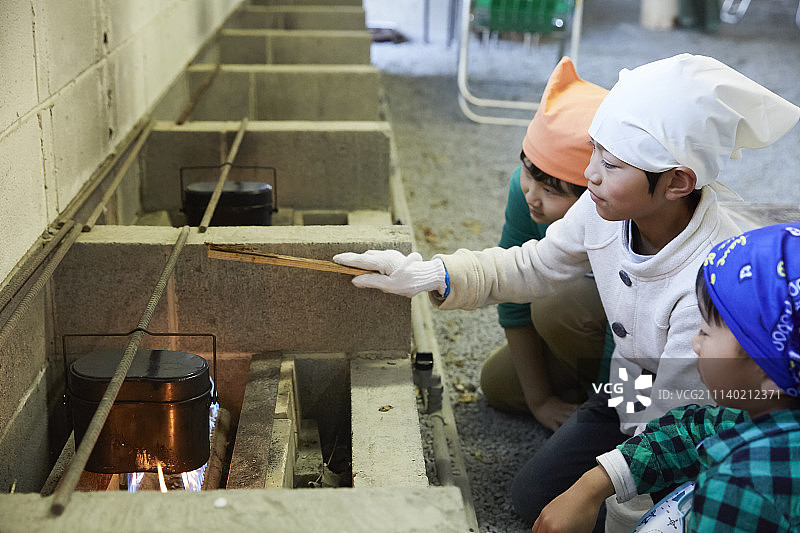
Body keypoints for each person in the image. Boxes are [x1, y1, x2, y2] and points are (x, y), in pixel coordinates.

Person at [333, 54, 800, 529]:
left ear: (678, 181)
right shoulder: (602, 209)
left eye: (613, 164)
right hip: (628, 387)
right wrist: (431, 273)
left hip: (685, 412)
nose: (591, 174)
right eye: (593, 150)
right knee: (534, 495)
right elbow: (532, 264)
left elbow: (667, 426)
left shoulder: (706, 275)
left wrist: (622, 514)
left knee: (620, 509)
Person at [532, 223, 800, 532]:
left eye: (706, 331)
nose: (695, 343)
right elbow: (694, 427)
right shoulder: (764, 410)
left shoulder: (739, 486)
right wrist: (594, 483)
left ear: (769, 374)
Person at [479, 57, 611, 432]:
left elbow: (632, 336)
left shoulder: (619, 216)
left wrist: (607, 414)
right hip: (582, 336)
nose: (531, 197)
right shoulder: (525, 195)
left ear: (593, 192)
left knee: (557, 304)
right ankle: (585, 391)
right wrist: (540, 401)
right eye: (527, 172)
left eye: (551, 190)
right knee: (499, 384)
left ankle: (608, 404)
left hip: (632, 350)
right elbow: (511, 292)